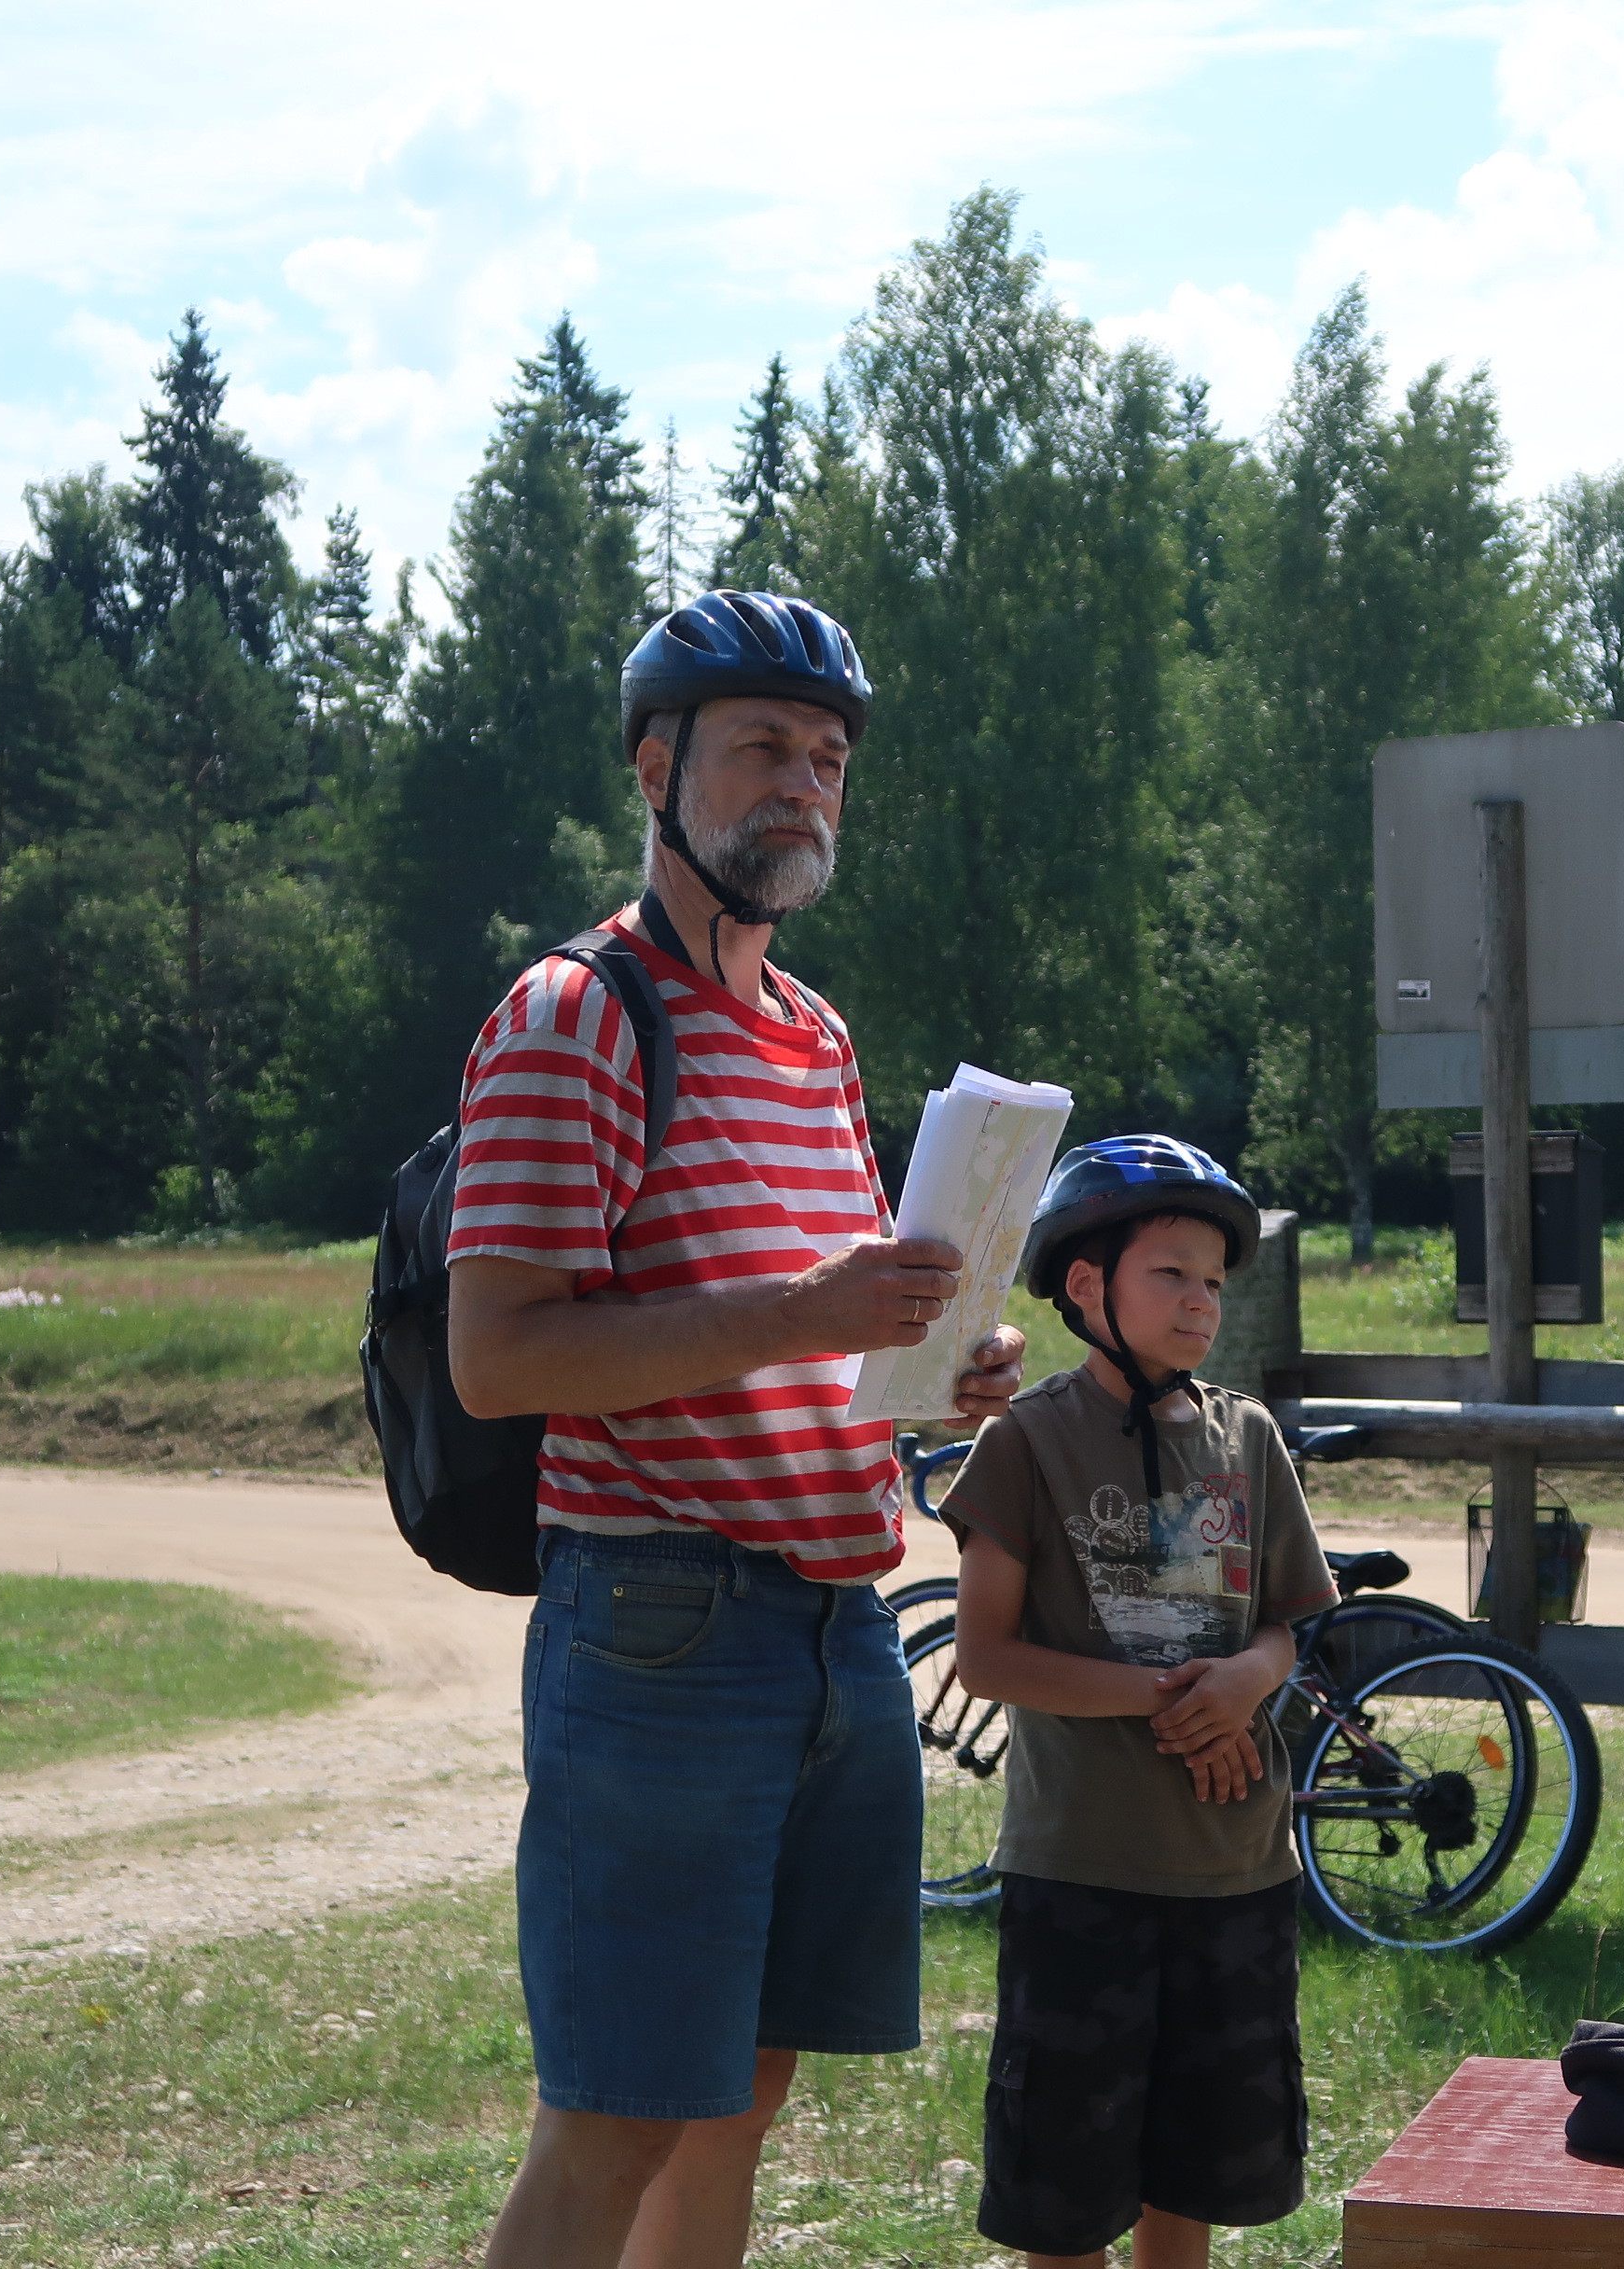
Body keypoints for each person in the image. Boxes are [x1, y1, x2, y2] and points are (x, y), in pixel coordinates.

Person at [442, 589, 1028, 2269]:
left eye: (827, 757)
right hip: (661, 1623)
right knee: (615, 2116)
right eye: (762, 745)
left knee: (742, 2095)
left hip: (839, 1617)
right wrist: (804, 1313)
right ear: (656, 767)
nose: (803, 785)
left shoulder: (815, 1035)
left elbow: (813, 1318)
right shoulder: (574, 1014)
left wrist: (933, 1363)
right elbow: (499, 1358)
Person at [936, 1136, 1337, 2269]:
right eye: (1171, 1272)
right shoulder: (1024, 1440)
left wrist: (1246, 1679)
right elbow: (985, 1655)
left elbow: (1284, 1622)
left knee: (1191, 2177)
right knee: (1065, 2197)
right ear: (1086, 1283)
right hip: (1082, 1870)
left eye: (1214, 1278)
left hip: (1235, 1865)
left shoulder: (1248, 1436)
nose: (1202, 1299)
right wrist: (1175, 1701)